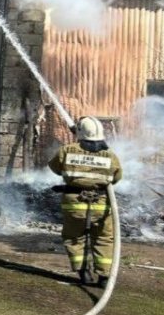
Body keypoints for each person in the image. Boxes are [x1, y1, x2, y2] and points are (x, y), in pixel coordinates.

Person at [48, 116, 122, 286]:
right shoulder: (110, 154)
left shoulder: (67, 150)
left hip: (74, 202)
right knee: (103, 238)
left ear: (79, 132)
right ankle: (104, 278)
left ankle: (83, 273)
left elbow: (55, 168)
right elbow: (116, 177)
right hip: (101, 204)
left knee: (75, 238)